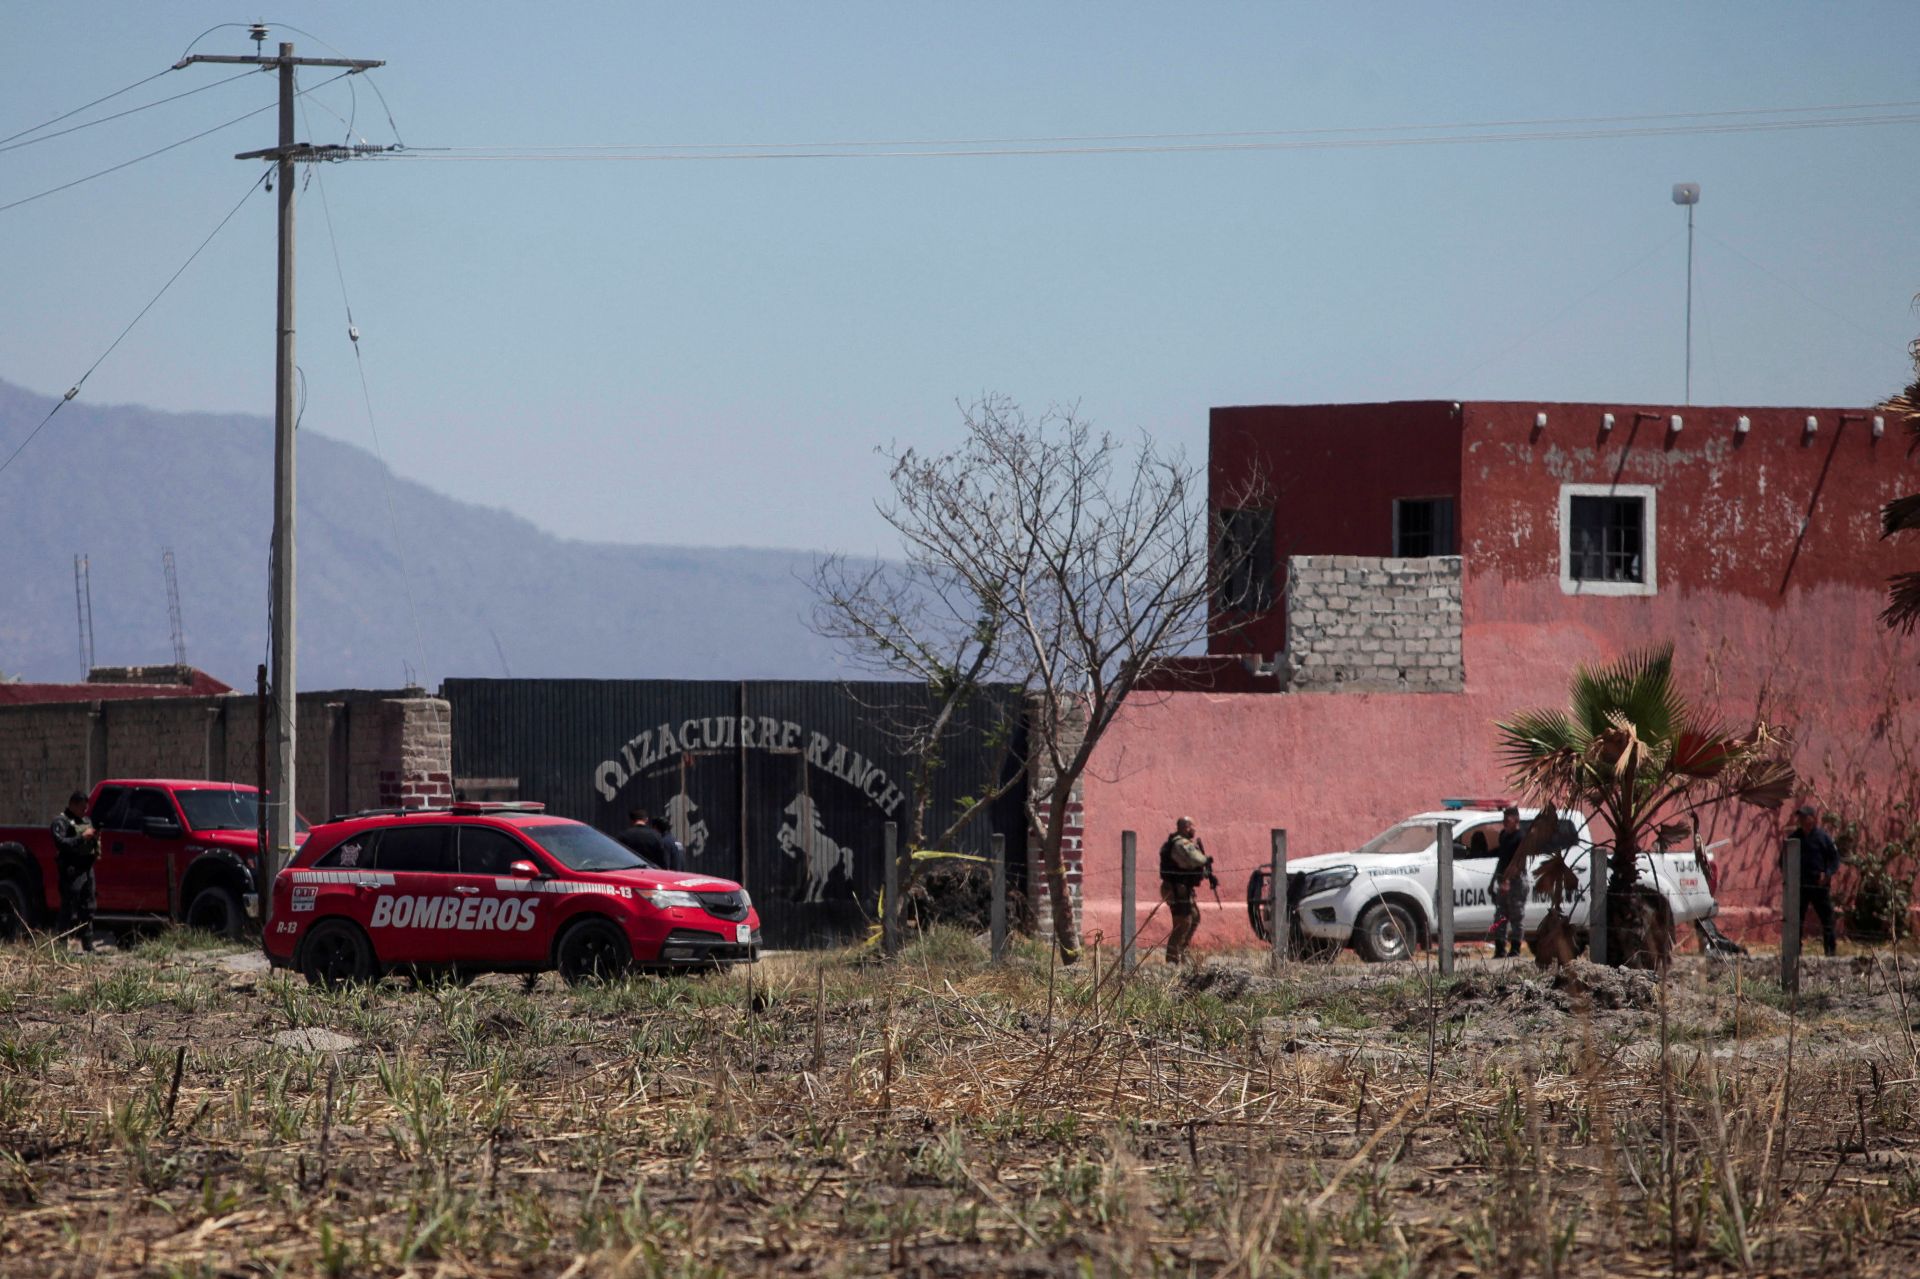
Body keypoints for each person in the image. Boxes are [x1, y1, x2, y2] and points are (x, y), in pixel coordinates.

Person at [1159, 816, 1216, 963]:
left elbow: (1189, 866)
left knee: (1194, 918)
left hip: (1184, 888)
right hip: (1176, 889)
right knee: (1182, 922)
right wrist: (1206, 860)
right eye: (1192, 826)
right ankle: (1172, 959)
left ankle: (1182, 951)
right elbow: (1195, 859)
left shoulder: (1183, 843)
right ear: (1186, 827)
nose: (1194, 830)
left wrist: (1206, 874)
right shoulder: (1180, 844)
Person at [1790, 804, 1841, 957]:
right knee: (1796, 920)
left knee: (1827, 919)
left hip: (1819, 886)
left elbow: (1834, 859)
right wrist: (1790, 878)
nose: (1802, 820)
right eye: (1800, 817)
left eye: (1805, 816)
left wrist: (1828, 873)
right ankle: (1794, 952)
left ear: (1813, 819)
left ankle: (1830, 953)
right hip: (1800, 886)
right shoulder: (1794, 838)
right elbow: (1783, 860)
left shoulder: (1822, 838)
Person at [51, 790, 99, 952]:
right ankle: (61, 945)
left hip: (86, 870)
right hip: (71, 871)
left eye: (86, 808)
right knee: (68, 908)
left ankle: (88, 945)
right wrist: (81, 838)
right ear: (73, 805)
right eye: (82, 808)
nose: (84, 812)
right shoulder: (61, 822)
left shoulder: (85, 821)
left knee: (88, 907)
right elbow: (61, 843)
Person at [1488, 806, 1529, 959]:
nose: (1504, 822)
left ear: (1516, 820)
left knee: (1516, 916)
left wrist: (1508, 881)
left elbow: (1519, 863)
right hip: (1502, 880)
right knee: (1500, 916)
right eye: (1503, 819)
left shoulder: (1521, 838)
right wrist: (1494, 880)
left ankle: (1515, 949)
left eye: (1508, 819)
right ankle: (1499, 949)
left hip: (1516, 882)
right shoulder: (1504, 835)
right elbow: (1501, 860)